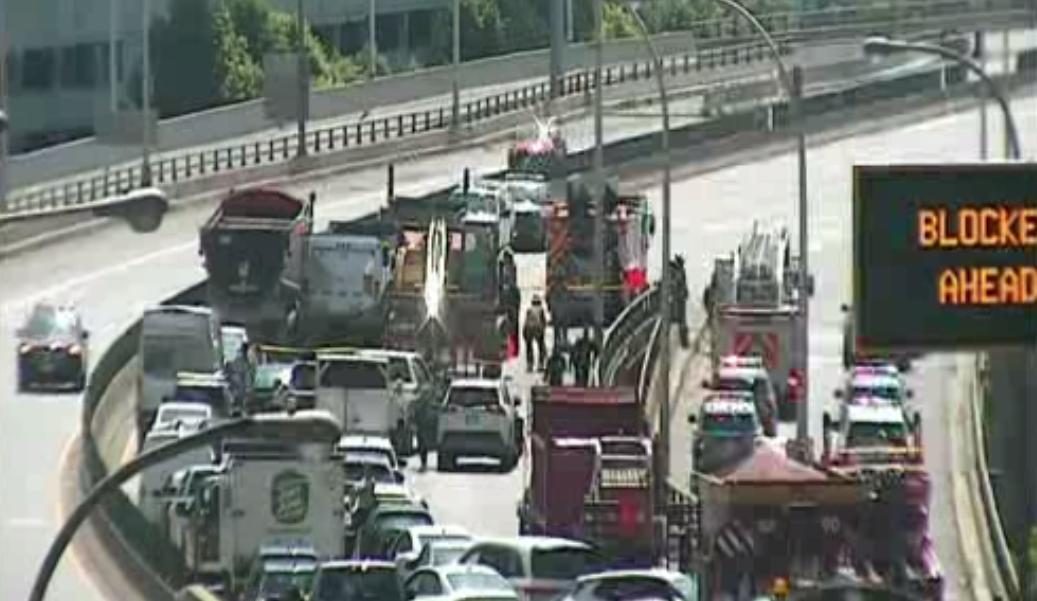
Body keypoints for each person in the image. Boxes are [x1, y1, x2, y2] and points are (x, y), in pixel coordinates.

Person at [413, 391, 440, 471]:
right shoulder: (419, 408)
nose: (425, 399)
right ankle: (423, 464)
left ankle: (424, 464)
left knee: (424, 448)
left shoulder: (433, 407)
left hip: (428, 431)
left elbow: (437, 418)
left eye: (426, 396)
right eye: (424, 396)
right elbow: (415, 419)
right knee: (422, 448)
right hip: (422, 431)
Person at [523, 295, 548, 372]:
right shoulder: (541, 310)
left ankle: (529, 365)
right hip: (538, 330)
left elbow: (526, 322)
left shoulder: (529, 310)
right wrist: (543, 330)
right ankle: (540, 365)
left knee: (529, 348)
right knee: (541, 347)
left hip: (529, 330)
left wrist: (524, 333)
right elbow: (544, 322)